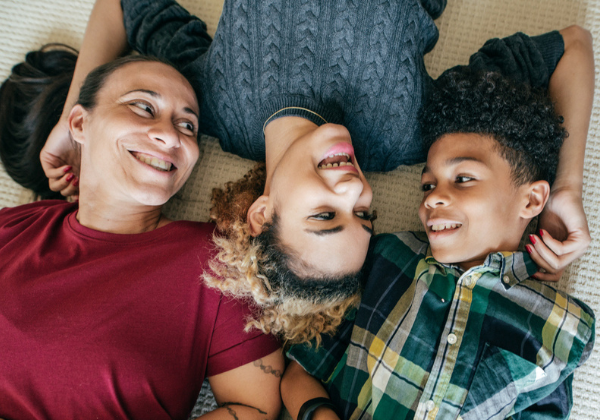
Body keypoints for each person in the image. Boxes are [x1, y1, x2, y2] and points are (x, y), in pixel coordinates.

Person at [39, 0, 592, 342]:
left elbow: (120, 5)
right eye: (365, 214)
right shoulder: (413, 131)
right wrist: (566, 187)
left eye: (326, 214)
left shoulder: (210, 107)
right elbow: (571, 47)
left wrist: (71, 118)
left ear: (262, 212)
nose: (354, 186)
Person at [281, 68, 596, 420]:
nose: (433, 200)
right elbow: (299, 371)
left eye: (462, 179)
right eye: (427, 186)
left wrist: (566, 189)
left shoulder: (560, 326)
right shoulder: (386, 259)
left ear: (532, 199)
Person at [0, 47, 283, 420]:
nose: (170, 136)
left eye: (188, 126)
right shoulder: (12, 227)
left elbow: (257, 409)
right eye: (143, 108)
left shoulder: (220, 262)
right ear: (80, 125)